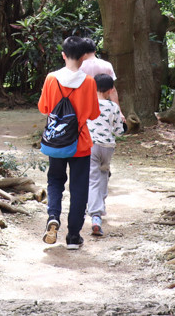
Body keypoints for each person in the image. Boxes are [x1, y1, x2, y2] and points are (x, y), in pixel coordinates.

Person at [38, 35, 100, 250]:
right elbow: (93, 114)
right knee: (79, 188)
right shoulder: (90, 81)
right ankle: (73, 236)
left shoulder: (51, 78)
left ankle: (53, 217)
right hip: (80, 143)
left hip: (56, 142)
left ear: (63, 55)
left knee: (55, 180)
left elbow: (44, 108)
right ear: (83, 57)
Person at [86, 73, 126, 237]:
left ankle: (96, 216)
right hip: (108, 147)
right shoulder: (113, 107)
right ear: (111, 90)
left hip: (91, 146)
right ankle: (100, 203)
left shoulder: (88, 104)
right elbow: (119, 131)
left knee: (93, 178)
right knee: (103, 173)